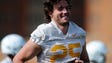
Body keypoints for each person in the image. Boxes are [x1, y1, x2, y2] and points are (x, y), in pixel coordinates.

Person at [13, 0, 90, 63]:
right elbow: (18, 59)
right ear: (50, 13)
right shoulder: (43, 33)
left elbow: (85, 60)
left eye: (67, 8)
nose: (65, 11)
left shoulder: (79, 32)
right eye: (60, 8)